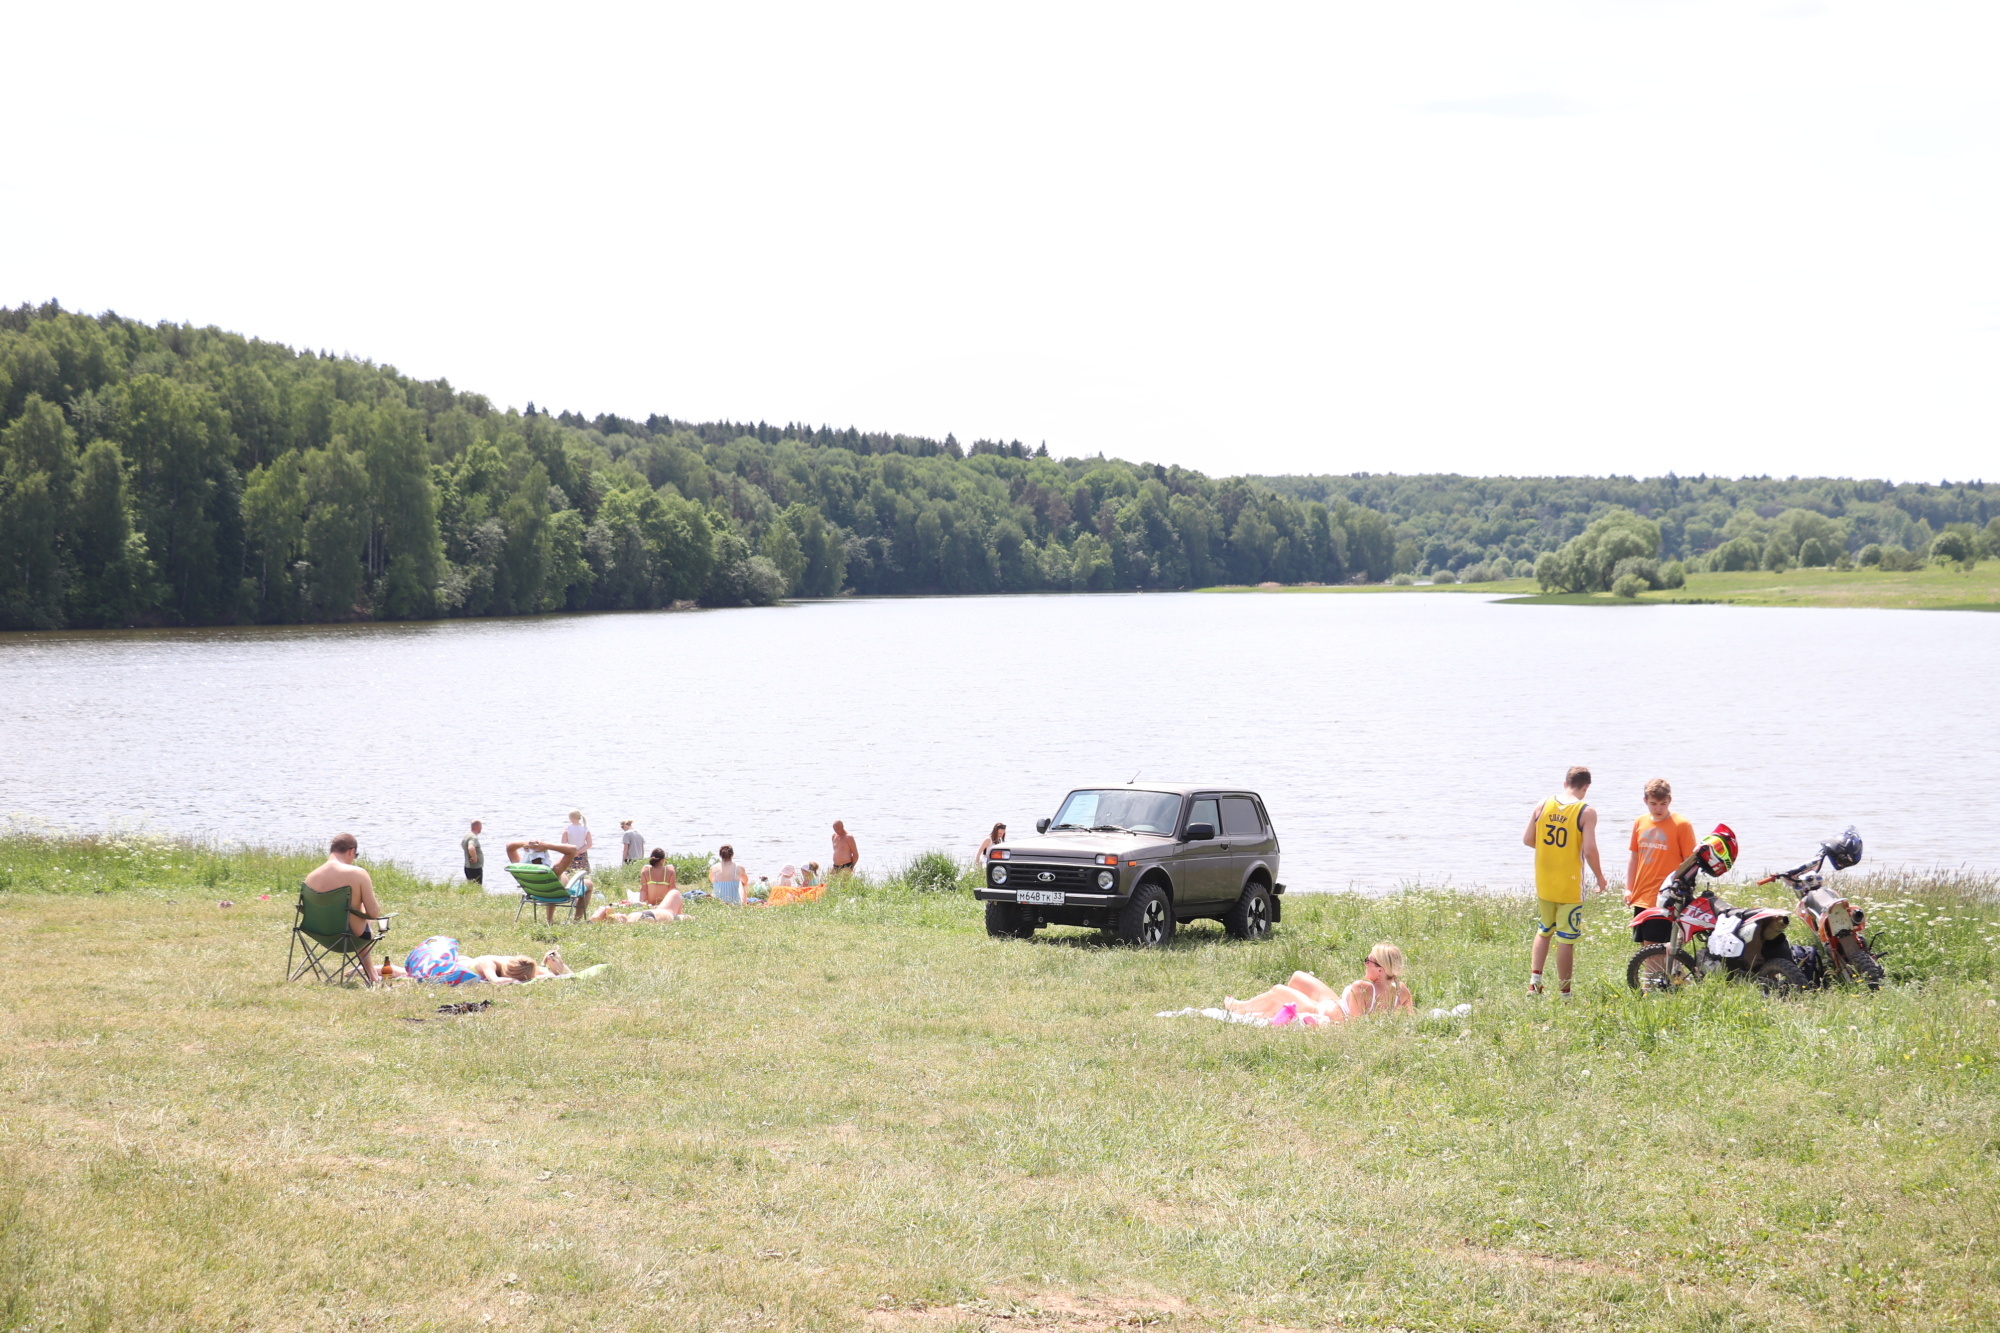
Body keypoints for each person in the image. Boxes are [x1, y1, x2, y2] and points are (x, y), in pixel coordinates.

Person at [1523, 765, 1608, 998]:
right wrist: (1600, 877)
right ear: (1586, 787)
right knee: (1566, 939)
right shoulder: (1586, 812)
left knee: (1544, 930)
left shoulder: (1543, 803)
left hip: (1544, 880)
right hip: (1569, 885)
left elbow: (1528, 839)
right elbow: (1589, 850)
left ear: (1565, 784)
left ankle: (1535, 983)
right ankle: (1565, 994)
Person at [1224, 943, 1414, 1022]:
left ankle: (1238, 1007)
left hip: (1323, 1010)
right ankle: (1279, 1011)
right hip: (1337, 1003)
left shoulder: (1361, 987)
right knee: (1298, 977)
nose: (1365, 963)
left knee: (1278, 989)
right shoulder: (1400, 989)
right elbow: (1409, 1018)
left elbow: (1354, 1024)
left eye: (1368, 961)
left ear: (1380, 970)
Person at [303, 832, 390, 982]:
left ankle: (372, 975)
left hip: (320, 934)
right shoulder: (358, 873)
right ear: (351, 851)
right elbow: (374, 912)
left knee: (355, 910)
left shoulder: (311, 877)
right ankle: (372, 976)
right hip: (350, 937)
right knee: (363, 914)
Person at [1627, 778, 1696, 943]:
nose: (1658, 808)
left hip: (1666, 896)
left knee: (1660, 945)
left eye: (1663, 804)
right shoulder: (1640, 822)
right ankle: (1661, 970)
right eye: (1653, 804)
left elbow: (1690, 862)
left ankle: (1662, 970)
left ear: (1670, 801)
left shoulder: (1681, 824)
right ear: (1645, 801)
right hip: (1642, 895)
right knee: (1645, 946)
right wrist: (1628, 889)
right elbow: (1634, 857)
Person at [399, 936, 572, 983]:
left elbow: (556, 976)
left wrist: (554, 967)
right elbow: (496, 982)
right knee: (407, 974)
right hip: (458, 963)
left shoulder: (522, 964)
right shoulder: (488, 964)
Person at [507, 838, 593, 922]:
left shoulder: (522, 869)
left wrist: (524, 844)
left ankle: (549, 920)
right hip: (557, 895)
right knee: (588, 884)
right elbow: (572, 849)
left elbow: (509, 847)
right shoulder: (554, 871)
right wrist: (547, 846)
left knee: (552, 885)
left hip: (534, 894)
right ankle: (576, 920)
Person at [461, 820, 484, 885]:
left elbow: (462, 844)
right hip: (475, 867)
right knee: (477, 887)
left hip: (467, 866)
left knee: (471, 886)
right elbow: (471, 847)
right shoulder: (473, 837)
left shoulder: (467, 835)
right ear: (479, 826)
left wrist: (469, 854)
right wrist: (475, 858)